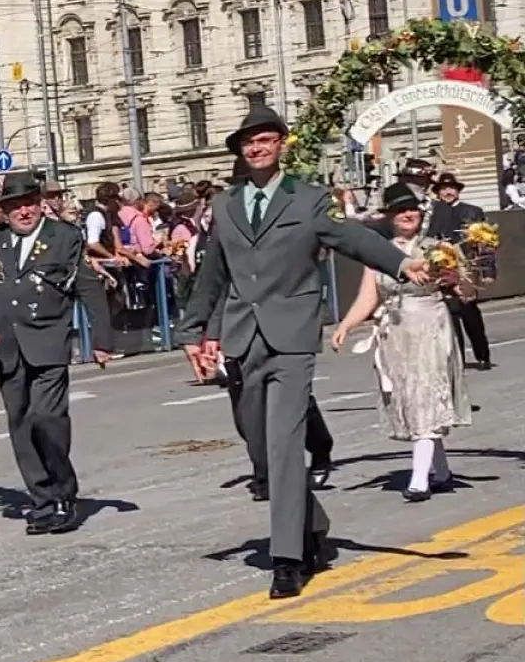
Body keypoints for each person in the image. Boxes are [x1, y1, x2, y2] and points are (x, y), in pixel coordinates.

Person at [177, 105, 428, 599]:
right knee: (259, 445)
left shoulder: (309, 199)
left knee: (285, 443)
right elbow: (213, 273)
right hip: (243, 336)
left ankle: (288, 558)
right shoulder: (225, 204)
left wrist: (400, 265)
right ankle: (311, 522)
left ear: (280, 145)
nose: (257, 148)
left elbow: (352, 237)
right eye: (248, 142)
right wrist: (192, 331)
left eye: (265, 139)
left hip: (291, 335)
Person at [0, 172, 103, 535]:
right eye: (15, 206)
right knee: (21, 424)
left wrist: (102, 338)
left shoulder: (63, 236)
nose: (23, 212)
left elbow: (86, 284)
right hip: (7, 344)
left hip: (48, 340)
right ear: (4, 211)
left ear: (40, 205)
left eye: (29, 204)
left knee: (47, 418)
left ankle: (63, 494)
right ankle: (42, 500)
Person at [330, 183, 471, 501]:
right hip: (395, 334)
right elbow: (368, 296)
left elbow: (467, 292)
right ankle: (441, 472)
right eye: (400, 210)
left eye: (412, 209)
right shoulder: (380, 253)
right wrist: (346, 325)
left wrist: (455, 281)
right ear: (389, 216)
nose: (408, 215)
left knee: (426, 397)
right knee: (412, 400)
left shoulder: (438, 248)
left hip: (429, 329)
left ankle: (419, 480)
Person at [208, 161, 336, 500]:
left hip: (280, 319)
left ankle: (319, 448)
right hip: (237, 320)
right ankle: (264, 471)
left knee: (292, 404)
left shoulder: (285, 212)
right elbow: (214, 280)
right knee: (246, 406)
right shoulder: (227, 215)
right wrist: (209, 332)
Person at [426, 172, 492, 371]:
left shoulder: (472, 211)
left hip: (467, 267)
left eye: (451, 188)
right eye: (443, 189)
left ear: (458, 190)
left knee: (469, 310)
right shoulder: (432, 214)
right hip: (441, 266)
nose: (448, 192)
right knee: (450, 315)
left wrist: (488, 270)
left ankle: (482, 355)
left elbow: (485, 244)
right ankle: (458, 358)